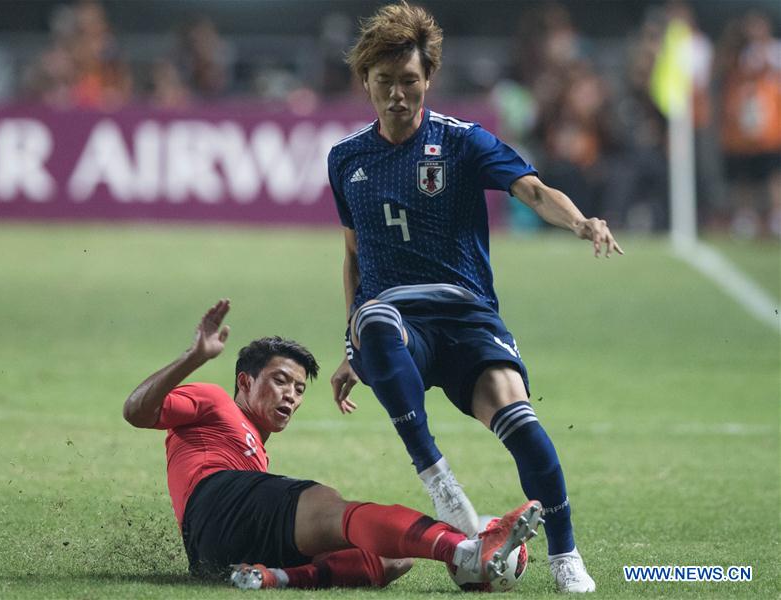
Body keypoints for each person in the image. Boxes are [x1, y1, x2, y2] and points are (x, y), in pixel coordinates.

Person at [326, 2, 623, 593]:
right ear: (366, 83)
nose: (397, 97)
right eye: (384, 84)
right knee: (376, 316)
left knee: (523, 425)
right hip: (396, 323)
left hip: (465, 318)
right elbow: (355, 257)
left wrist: (581, 222)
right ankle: (437, 477)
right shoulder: (346, 159)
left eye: (409, 83)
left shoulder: (462, 143)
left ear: (428, 79)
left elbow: (533, 191)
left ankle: (566, 558)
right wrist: (352, 343)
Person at [123, 298, 543, 590]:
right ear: (244, 382)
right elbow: (136, 411)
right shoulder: (214, 401)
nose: (291, 396)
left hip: (215, 553)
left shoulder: (254, 453)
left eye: (300, 389)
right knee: (326, 503)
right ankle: (465, 549)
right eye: (280, 381)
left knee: (394, 559)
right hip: (214, 501)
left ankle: (271, 578)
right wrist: (194, 357)